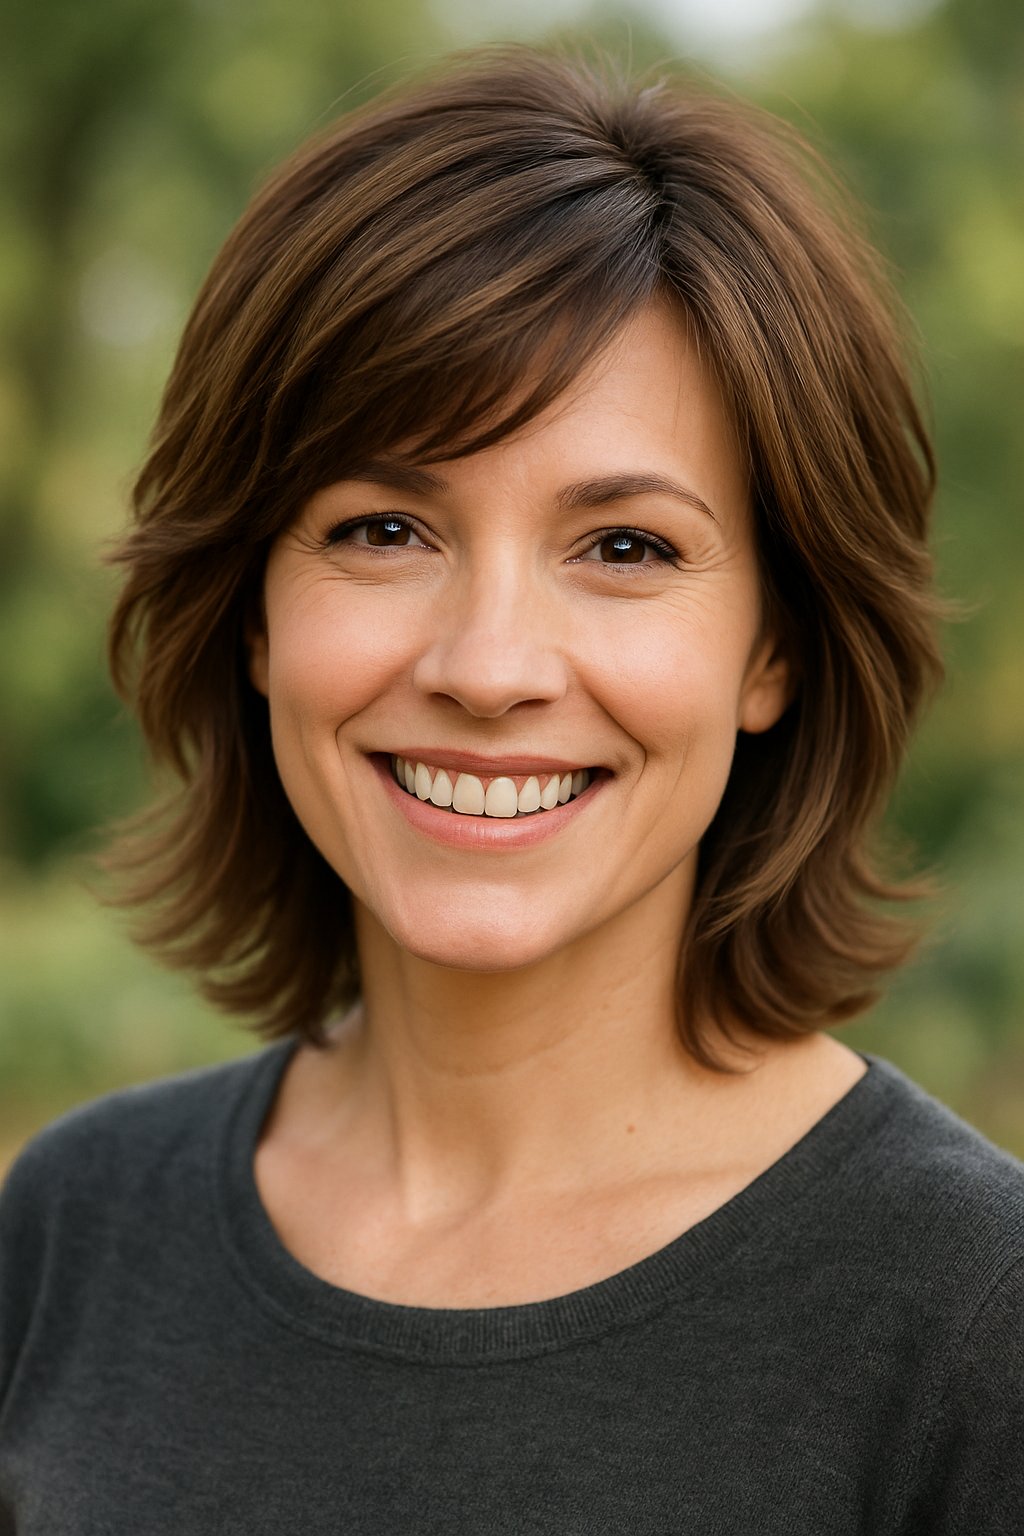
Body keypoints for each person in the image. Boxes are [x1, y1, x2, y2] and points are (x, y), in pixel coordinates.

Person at [1, 43, 1022, 1534]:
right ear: (253, 614)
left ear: (774, 649)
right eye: (384, 529)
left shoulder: (973, 1320)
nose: (488, 667)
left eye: (625, 548)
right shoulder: (73, 1229)